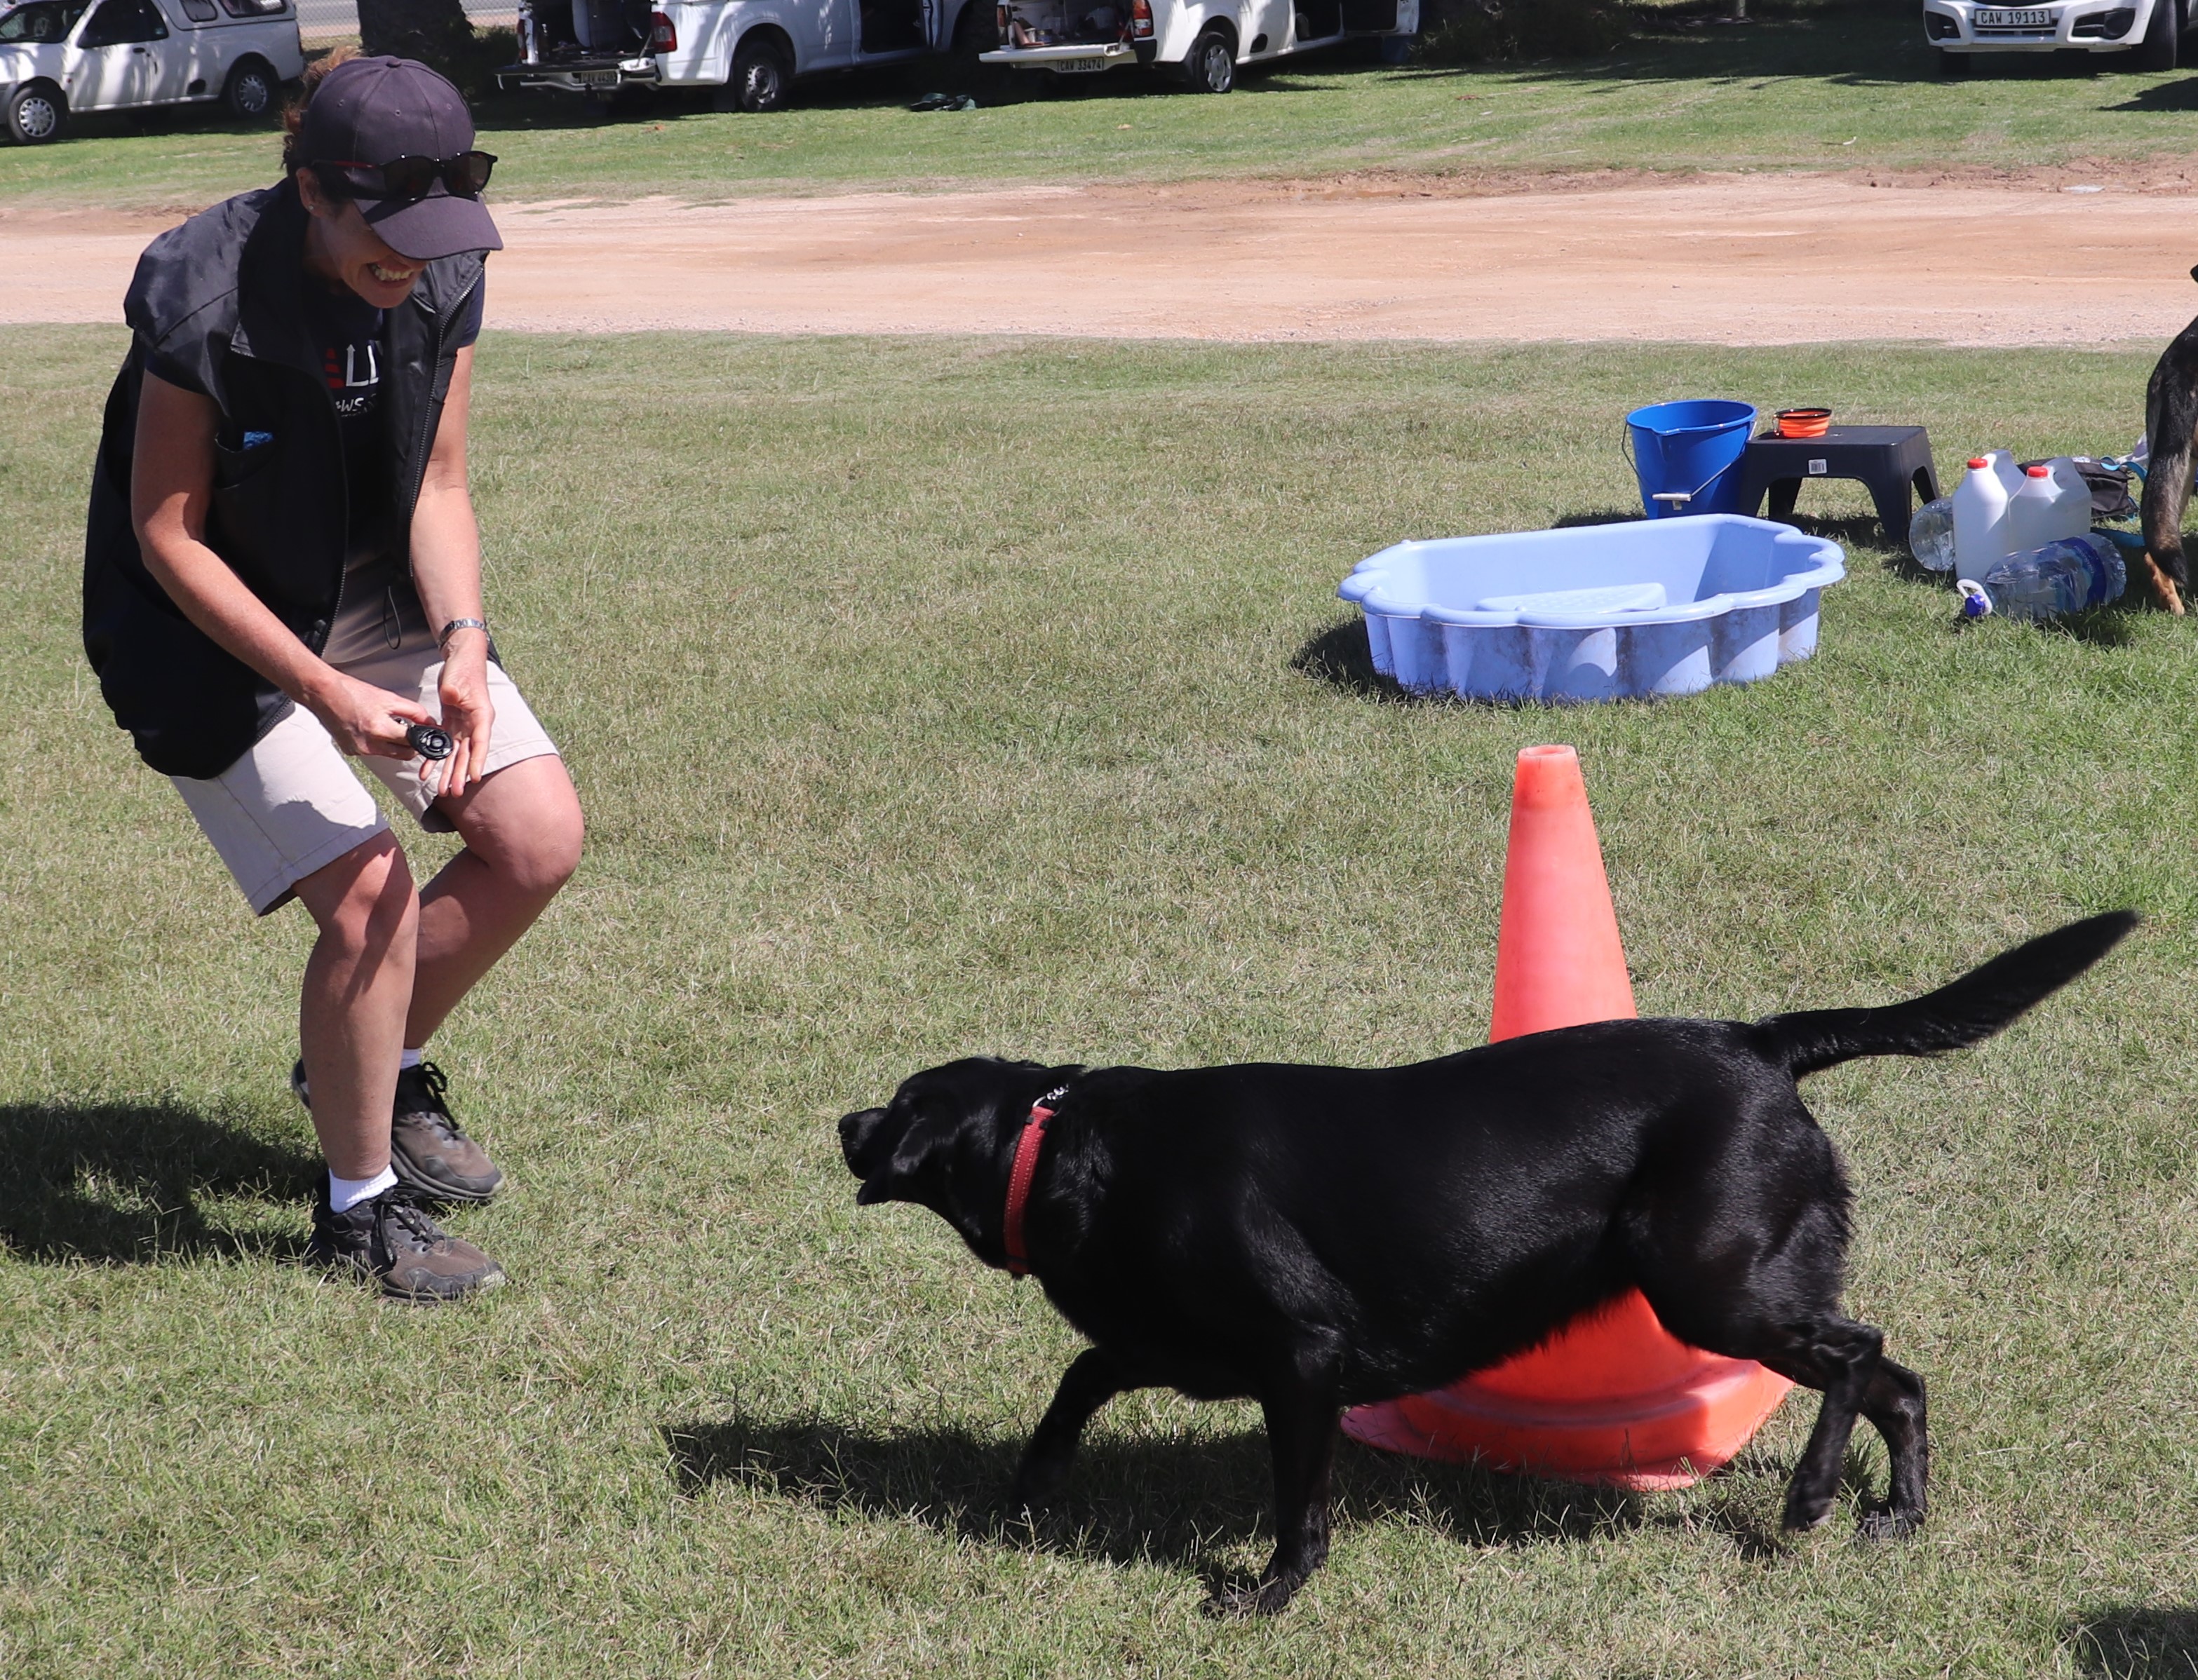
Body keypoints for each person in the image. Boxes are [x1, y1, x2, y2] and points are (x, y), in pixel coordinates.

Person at [81, 53, 584, 1303]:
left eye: (436, 231)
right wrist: (323, 690)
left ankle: (367, 1064)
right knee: (371, 897)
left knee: (535, 838)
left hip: (370, 588)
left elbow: (440, 480)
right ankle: (357, 1213)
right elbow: (165, 534)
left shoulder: (444, 267)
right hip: (207, 629)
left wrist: (462, 638)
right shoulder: (203, 293)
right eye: (387, 232)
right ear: (312, 189)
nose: (411, 261)